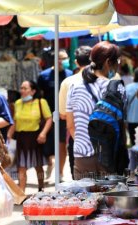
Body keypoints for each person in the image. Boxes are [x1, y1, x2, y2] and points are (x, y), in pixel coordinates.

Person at [66, 41, 126, 179]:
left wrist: (85, 143)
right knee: (110, 199)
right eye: (116, 61)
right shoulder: (116, 87)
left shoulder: (73, 87)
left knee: (86, 200)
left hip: (82, 157)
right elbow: (122, 125)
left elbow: (70, 125)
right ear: (107, 62)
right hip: (109, 156)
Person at [7, 81, 52, 192]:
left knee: (38, 165)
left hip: (36, 138)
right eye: (21, 88)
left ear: (33, 91)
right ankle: (22, 192)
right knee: (21, 167)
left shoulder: (41, 102)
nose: (22, 90)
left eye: (25, 88)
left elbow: (49, 119)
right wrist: (9, 135)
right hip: (21, 138)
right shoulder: (17, 103)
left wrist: (43, 133)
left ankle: (41, 188)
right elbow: (15, 121)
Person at [38, 49, 73, 180]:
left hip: (63, 115)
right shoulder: (44, 76)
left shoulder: (70, 74)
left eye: (66, 58)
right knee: (46, 143)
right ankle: (50, 162)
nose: (64, 61)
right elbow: (40, 96)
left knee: (62, 144)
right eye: (61, 58)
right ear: (55, 60)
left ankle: (60, 172)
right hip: (48, 116)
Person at [59, 46, 92, 180]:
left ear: (76, 63)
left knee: (80, 183)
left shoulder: (68, 82)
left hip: (77, 138)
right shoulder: (104, 82)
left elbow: (63, 115)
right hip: (101, 138)